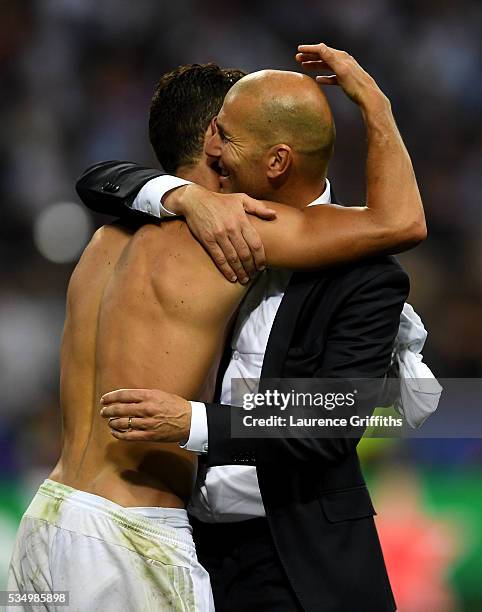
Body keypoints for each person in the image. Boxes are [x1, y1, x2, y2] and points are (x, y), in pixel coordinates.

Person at [78, 44, 425, 611]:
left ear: (278, 162)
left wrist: (191, 421)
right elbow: (98, 181)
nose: (211, 151)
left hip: (297, 562)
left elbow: (331, 419)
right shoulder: (209, 219)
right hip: (196, 548)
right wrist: (182, 193)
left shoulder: (366, 277)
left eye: (226, 139)